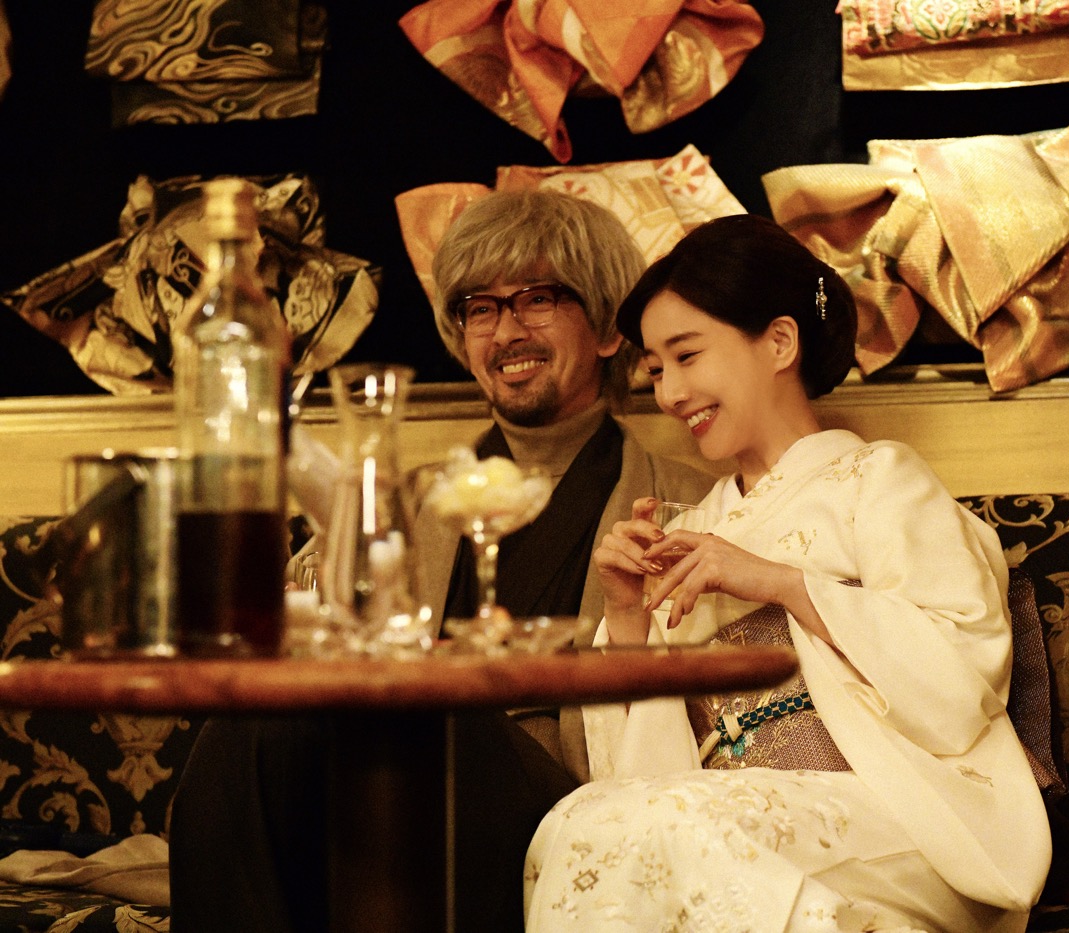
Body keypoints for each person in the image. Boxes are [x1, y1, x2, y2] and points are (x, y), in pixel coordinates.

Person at [169, 190, 710, 933]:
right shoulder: (411, 498)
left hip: (563, 811)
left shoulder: (685, 503)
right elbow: (309, 620)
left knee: (425, 701)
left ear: (611, 329)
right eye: (479, 308)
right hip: (381, 781)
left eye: (538, 299)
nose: (506, 331)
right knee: (257, 713)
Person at [523, 214, 1054, 932]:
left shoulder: (880, 480)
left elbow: (960, 682)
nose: (670, 392)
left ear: (779, 342)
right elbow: (639, 775)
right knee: (576, 821)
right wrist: (627, 619)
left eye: (687, 355)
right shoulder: (692, 528)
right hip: (728, 816)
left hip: (904, 812)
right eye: (656, 369)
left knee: (675, 825)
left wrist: (782, 583)